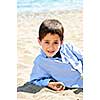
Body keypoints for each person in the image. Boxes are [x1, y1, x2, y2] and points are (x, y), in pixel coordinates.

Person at [29, 19, 83, 91]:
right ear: (39, 41)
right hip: (74, 85)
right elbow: (35, 80)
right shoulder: (40, 61)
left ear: (61, 42)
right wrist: (49, 83)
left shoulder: (69, 47)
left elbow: (83, 57)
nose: (51, 47)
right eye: (47, 42)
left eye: (55, 42)